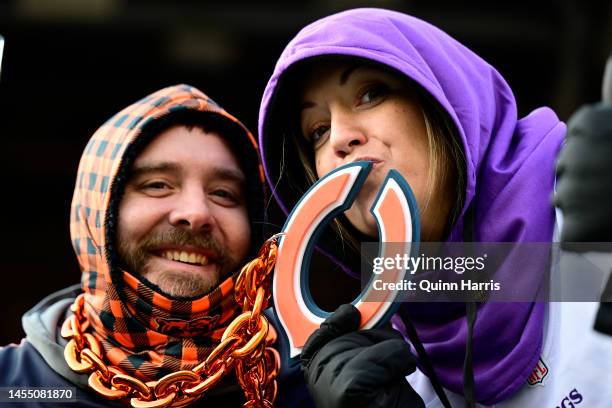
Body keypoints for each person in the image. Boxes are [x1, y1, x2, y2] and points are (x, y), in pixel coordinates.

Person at [257, 8, 612, 407]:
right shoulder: (384, 361)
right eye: (317, 131)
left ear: (445, 98)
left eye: (371, 93)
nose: (339, 137)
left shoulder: (593, 221)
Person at [0, 84, 305, 407]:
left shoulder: (313, 387)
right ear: (98, 210)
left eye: (223, 194)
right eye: (157, 185)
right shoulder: (9, 385)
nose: (196, 213)